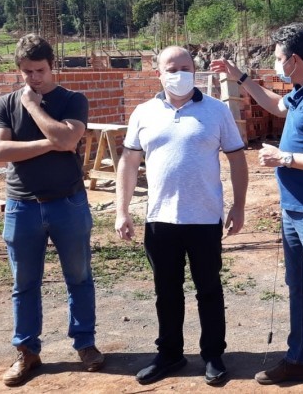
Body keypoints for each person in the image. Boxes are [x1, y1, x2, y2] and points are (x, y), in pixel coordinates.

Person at [211, 23, 303, 394]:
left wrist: (283, 158)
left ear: (294, 60)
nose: (275, 64)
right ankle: (298, 359)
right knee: (298, 286)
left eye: (277, 58)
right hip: (293, 209)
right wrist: (240, 77)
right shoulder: (301, 90)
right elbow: (274, 104)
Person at [114, 46, 248, 386]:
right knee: (166, 291)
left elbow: (237, 160)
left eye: (185, 67)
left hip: (204, 218)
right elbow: (129, 163)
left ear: (195, 69)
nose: (179, 73)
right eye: (171, 68)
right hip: (160, 220)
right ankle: (170, 354)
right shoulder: (144, 113)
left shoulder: (216, 111)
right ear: (158, 72)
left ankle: (213, 355)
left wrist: (238, 206)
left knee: (209, 288)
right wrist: (122, 210)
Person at [0, 34, 104, 386]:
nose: (33, 78)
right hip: (21, 206)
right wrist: (51, 142)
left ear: (52, 66)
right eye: (26, 72)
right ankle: (27, 352)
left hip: (67, 203)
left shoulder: (72, 100)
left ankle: (85, 344)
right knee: (24, 283)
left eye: (39, 71)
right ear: (18, 69)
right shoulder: (4, 104)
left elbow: (69, 140)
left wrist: (34, 107)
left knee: (79, 276)